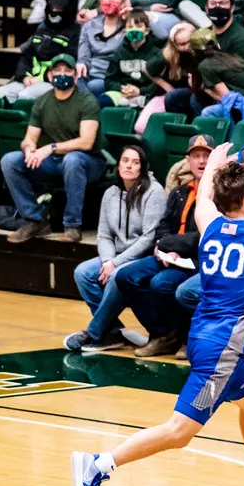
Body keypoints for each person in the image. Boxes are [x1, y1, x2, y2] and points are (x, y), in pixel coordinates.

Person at [71, 143, 244, 486]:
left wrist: (214, 163)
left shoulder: (207, 221)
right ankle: (97, 464)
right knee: (179, 432)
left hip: (202, 336)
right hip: (220, 351)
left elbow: (208, 192)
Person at [66, 145, 164, 351]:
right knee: (82, 272)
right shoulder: (110, 193)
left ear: (143, 168)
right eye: (125, 160)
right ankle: (112, 331)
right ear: (118, 165)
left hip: (143, 257)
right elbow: (104, 235)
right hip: (115, 255)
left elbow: (148, 238)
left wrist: (115, 264)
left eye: (135, 162)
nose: (129, 166)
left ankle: (93, 332)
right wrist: (107, 260)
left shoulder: (155, 192)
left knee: (115, 277)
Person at [0, 56, 101, 244]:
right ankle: (35, 220)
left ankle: (72, 226)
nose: (62, 75)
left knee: (73, 159)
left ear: (76, 76)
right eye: (57, 71)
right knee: (10, 161)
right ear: (49, 75)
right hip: (53, 162)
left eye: (67, 71)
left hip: (89, 162)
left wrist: (50, 148)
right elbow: (30, 137)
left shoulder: (87, 101)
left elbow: (86, 142)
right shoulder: (42, 101)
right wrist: (29, 149)